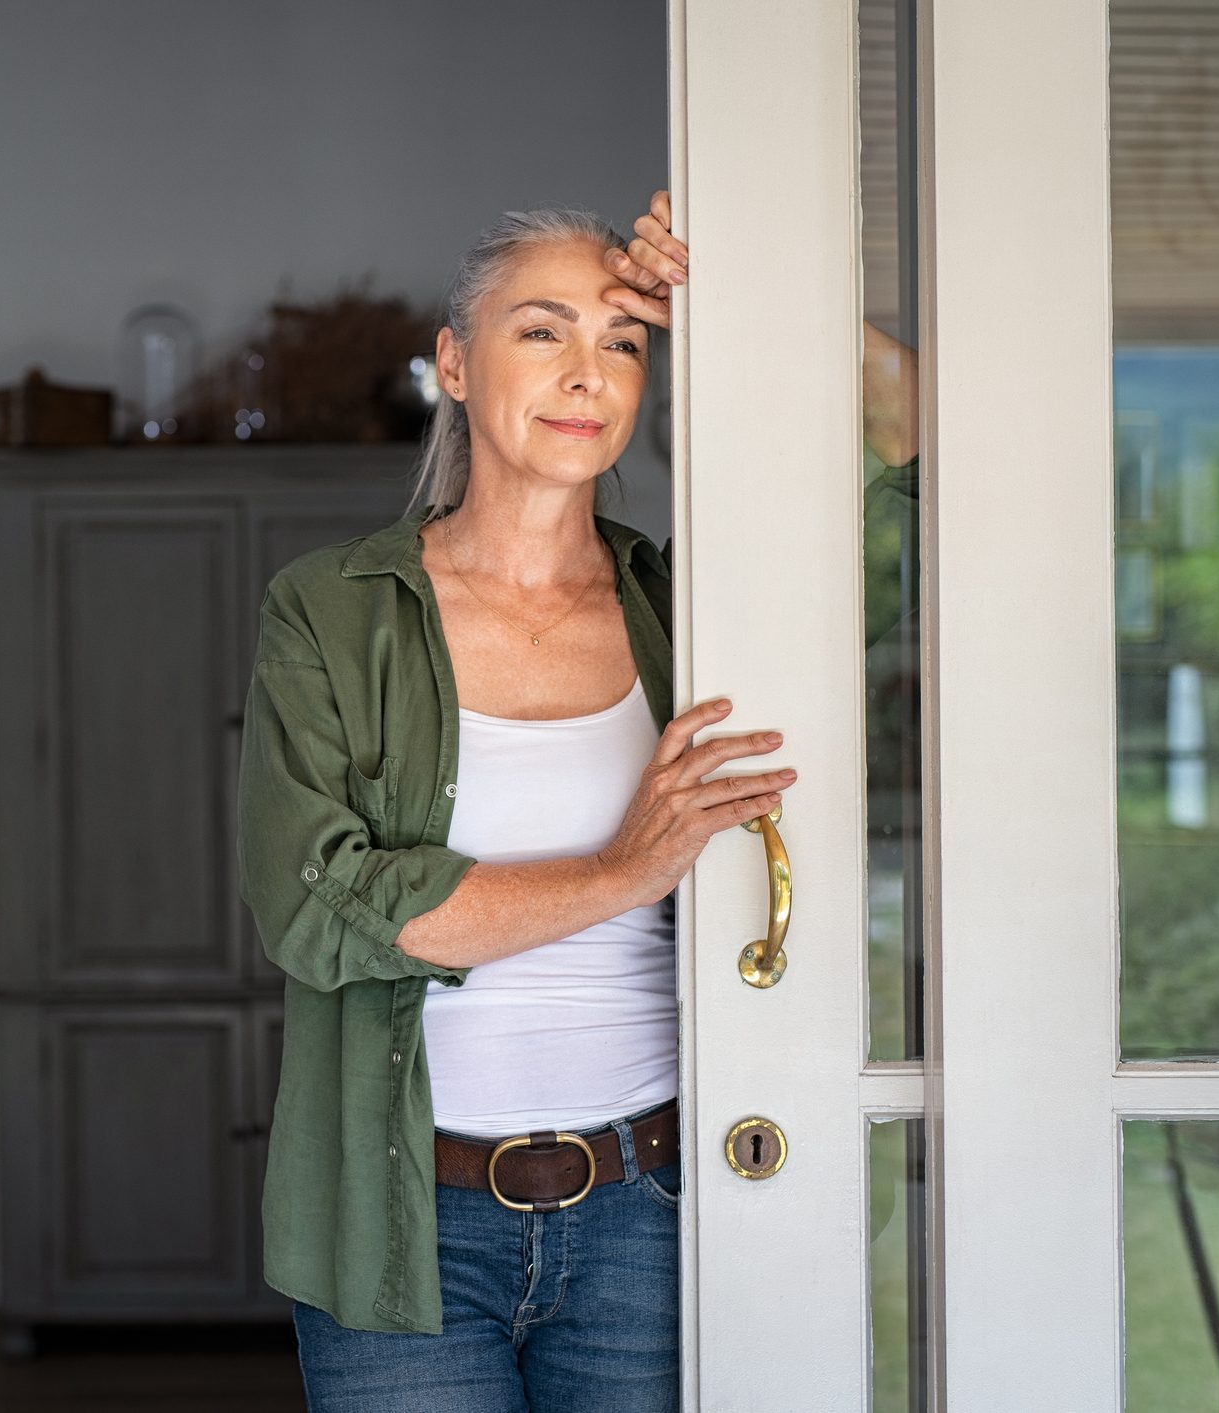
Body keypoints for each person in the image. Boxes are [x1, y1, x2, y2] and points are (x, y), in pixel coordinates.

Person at [234, 196, 916, 1412]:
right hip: (401, 1232)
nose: (587, 374)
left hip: (652, 1214)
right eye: (542, 332)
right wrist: (618, 871)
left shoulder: (692, 607)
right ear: (454, 361)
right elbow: (319, 909)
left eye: (625, 340)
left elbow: (921, 509)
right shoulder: (333, 609)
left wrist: (777, 289)